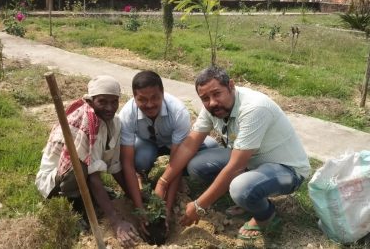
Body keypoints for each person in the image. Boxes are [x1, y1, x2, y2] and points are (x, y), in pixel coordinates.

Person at [155, 66, 310, 240]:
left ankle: (266, 215)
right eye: (205, 98)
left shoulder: (254, 108)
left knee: (241, 188)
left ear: (231, 86)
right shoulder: (213, 109)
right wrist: (163, 181)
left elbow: (236, 167)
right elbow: (189, 146)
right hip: (252, 160)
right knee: (197, 166)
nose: (212, 102)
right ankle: (250, 196)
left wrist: (199, 205)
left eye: (217, 94)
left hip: (287, 171)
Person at [35, 75, 139, 247]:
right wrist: (115, 222)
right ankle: (75, 205)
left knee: (89, 171)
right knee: (81, 167)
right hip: (55, 180)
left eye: (114, 101)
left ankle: (88, 196)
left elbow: (115, 166)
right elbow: (93, 177)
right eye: (102, 102)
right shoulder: (83, 123)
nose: (109, 107)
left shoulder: (115, 123)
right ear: (91, 101)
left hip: (87, 176)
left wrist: (134, 199)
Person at [118, 70, 218, 233]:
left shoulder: (178, 111)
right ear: (134, 97)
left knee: (211, 147)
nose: (149, 104)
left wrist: (167, 208)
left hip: (175, 145)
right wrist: (140, 209)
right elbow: (127, 163)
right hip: (147, 143)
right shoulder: (126, 115)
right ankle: (141, 176)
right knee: (140, 159)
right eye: (142, 99)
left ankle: (179, 181)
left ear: (163, 93)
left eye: (155, 98)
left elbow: (176, 159)